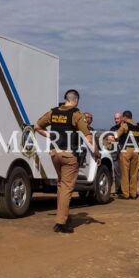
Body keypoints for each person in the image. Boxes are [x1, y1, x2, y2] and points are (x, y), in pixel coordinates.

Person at [35, 89, 95, 233]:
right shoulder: (76, 114)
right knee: (67, 187)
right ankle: (61, 222)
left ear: (66, 99)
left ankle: (63, 216)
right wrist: (96, 152)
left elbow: (37, 126)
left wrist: (49, 135)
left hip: (54, 153)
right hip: (69, 155)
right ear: (76, 100)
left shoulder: (53, 112)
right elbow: (88, 136)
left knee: (62, 185)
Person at [114, 110, 139, 200]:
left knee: (125, 173)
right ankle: (133, 194)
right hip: (136, 151)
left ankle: (126, 194)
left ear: (125, 117)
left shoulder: (125, 125)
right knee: (134, 173)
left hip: (126, 151)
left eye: (122, 117)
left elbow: (116, 136)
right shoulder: (138, 126)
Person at [105, 112, 123, 196]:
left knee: (123, 172)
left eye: (118, 118)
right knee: (115, 172)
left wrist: (115, 139)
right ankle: (116, 190)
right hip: (114, 153)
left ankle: (123, 189)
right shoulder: (112, 128)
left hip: (123, 153)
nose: (116, 120)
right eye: (115, 119)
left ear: (122, 118)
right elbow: (109, 139)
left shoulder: (125, 127)